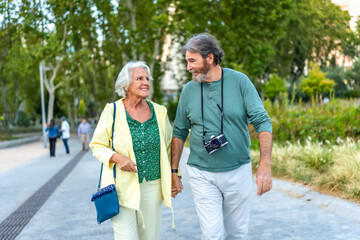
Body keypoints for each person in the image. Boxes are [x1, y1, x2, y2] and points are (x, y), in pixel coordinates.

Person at [171, 33, 273, 240]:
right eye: (187, 61)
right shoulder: (188, 90)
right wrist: (174, 169)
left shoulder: (240, 81)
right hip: (201, 173)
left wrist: (265, 165)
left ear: (210, 58)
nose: (188, 67)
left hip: (238, 170)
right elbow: (180, 131)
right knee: (211, 235)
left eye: (192, 61)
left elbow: (262, 121)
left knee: (237, 233)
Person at [89, 61, 175, 240]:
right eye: (139, 78)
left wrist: (175, 175)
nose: (146, 82)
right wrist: (117, 157)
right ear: (125, 86)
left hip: (153, 186)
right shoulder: (112, 111)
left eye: (147, 78)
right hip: (121, 188)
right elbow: (97, 145)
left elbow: (168, 147)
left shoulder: (160, 112)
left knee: (150, 237)